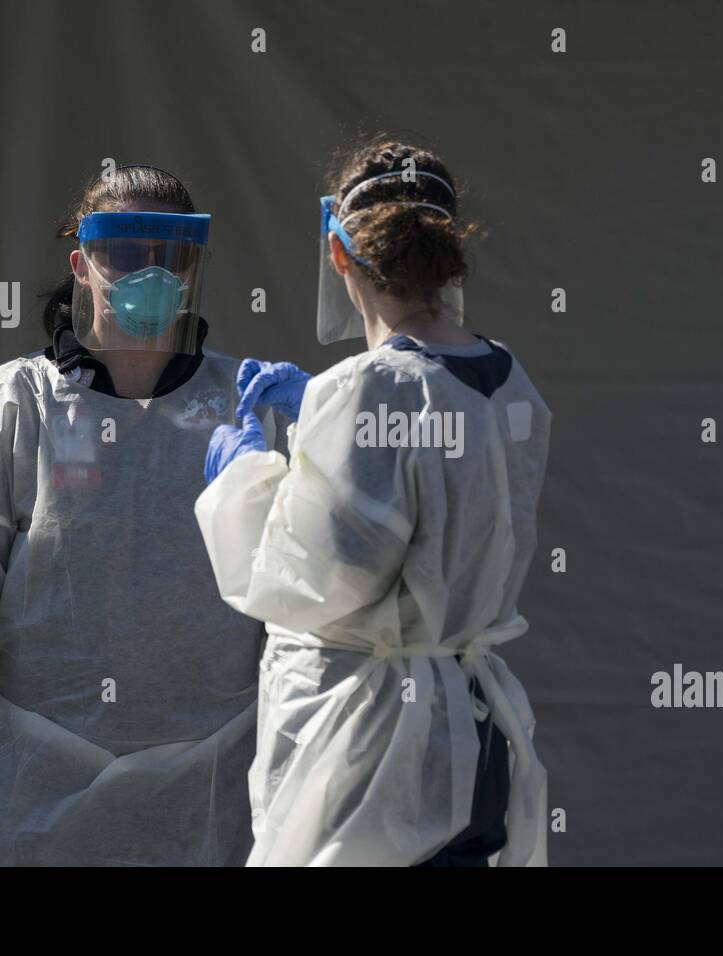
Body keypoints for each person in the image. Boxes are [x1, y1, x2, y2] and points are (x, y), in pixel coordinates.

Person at [0, 165, 272, 865]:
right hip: (37, 801)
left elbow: (307, 590)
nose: (150, 271)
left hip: (219, 797)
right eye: (125, 250)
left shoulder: (250, 408)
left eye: (171, 254)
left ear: (194, 265)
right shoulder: (6, 411)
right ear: (81, 264)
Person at [196, 139, 552, 866]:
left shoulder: (366, 388)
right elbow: (439, 503)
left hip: (373, 749)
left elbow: (315, 583)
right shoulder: (512, 381)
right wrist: (319, 430)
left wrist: (245, 479)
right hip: (472, 731)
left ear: (339, 253)